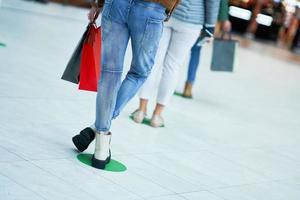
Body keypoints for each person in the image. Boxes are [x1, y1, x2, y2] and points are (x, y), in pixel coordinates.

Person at [71, 0, 179, 169]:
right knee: (139, 72)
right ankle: (98, 132)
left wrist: (96, 3)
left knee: (109, 73)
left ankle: (100, 140)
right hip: (151, 8)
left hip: (116, 4)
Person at [132, 0, 220, 128]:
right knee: (172, 67)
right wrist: (210, 26)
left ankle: (141, 110)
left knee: (154, 61)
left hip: (168, 11)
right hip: (192, 20)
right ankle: (157, 116)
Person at [183, 0, 231, 98]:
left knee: (180, 49)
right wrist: (224, 19)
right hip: (209, 21)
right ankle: (188, 87)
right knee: (196, 51)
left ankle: (171, 81)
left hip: (190, 15)